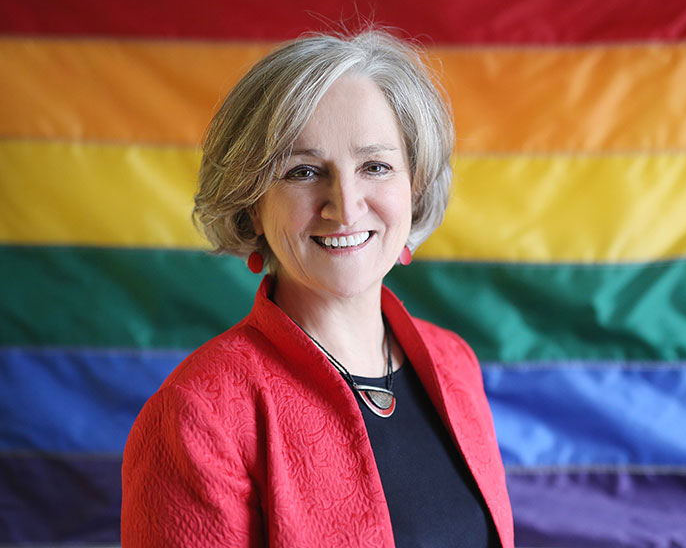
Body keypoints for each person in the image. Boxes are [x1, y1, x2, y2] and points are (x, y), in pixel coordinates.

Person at [121, 29, 514, 547]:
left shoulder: (453, 363)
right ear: (251, 204)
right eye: (303, 171)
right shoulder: (198, 416)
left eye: (375, 166)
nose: (345, 205)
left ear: (413, 187)